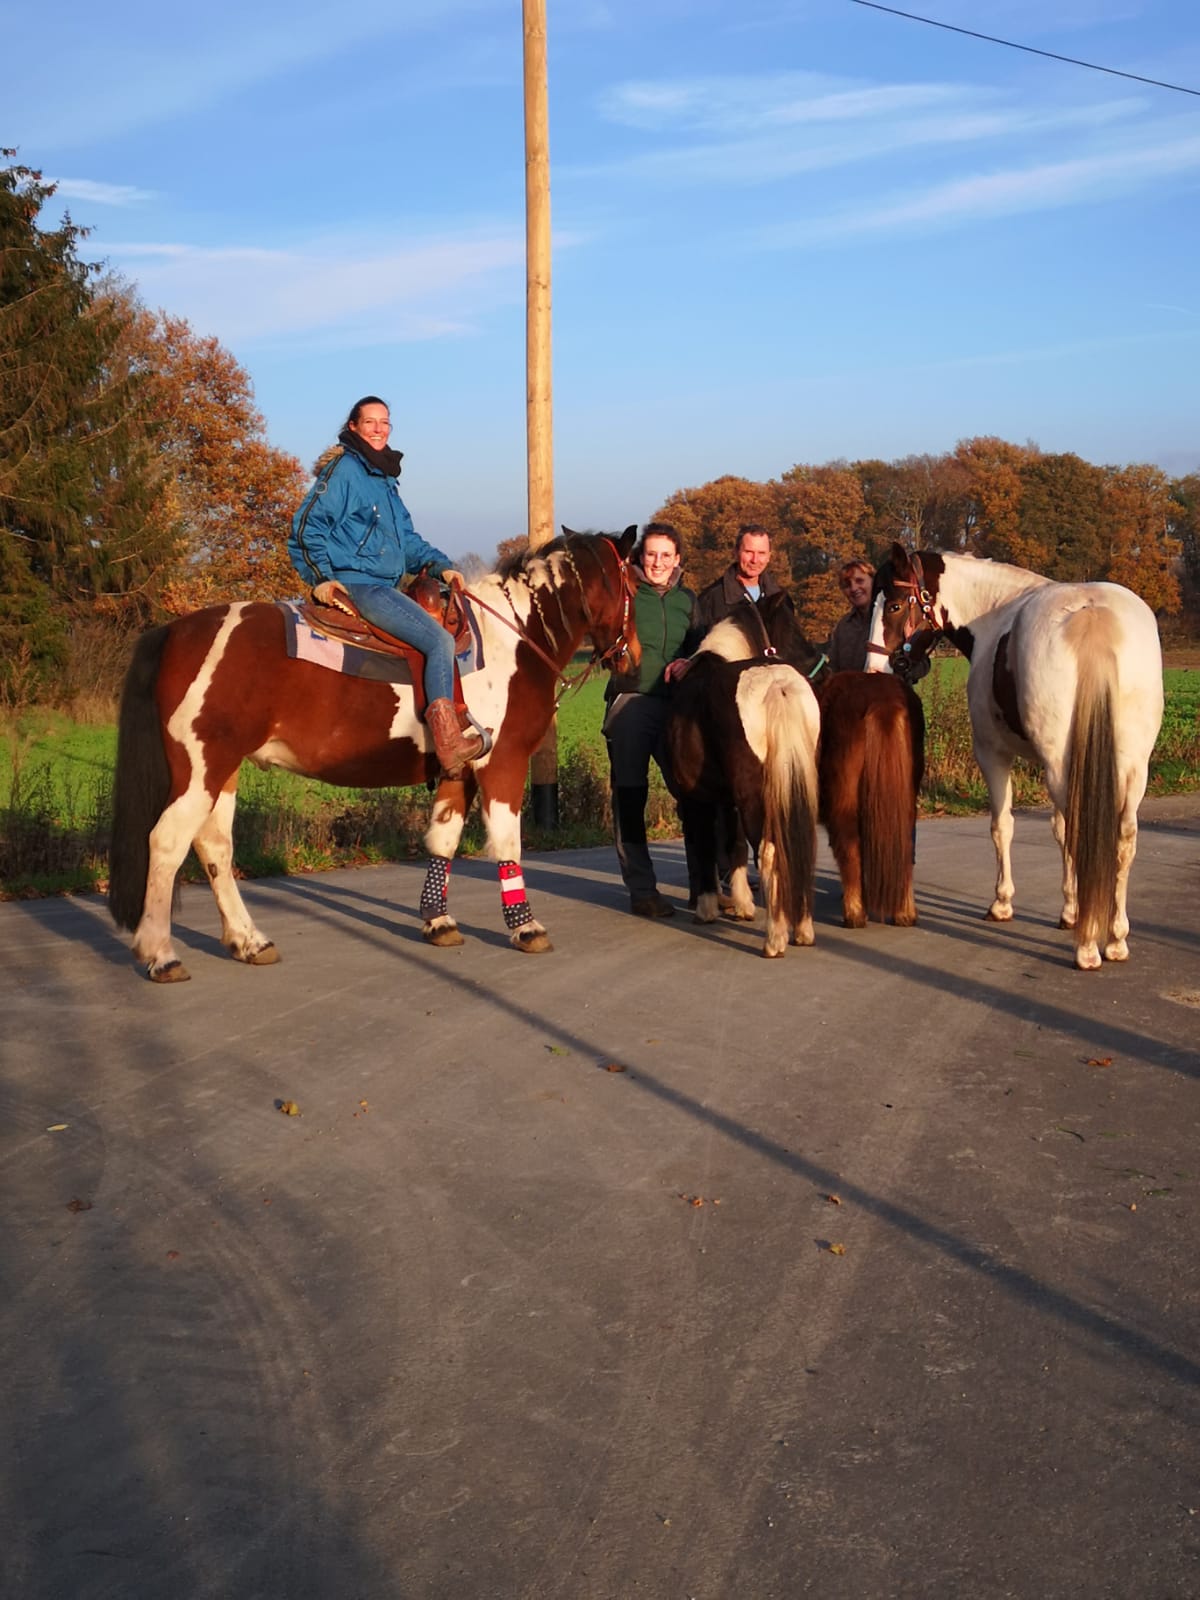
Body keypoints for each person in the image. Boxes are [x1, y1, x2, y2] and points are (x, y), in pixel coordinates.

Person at [289, 396, 482, 776]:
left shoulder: (383, 477)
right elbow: (306, 525)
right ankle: (449, 743)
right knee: (439, 641)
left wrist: (441, 567)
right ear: (354, 427)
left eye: (385, 422)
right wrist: (321, 579)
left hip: (386, 585)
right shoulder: (345, 470)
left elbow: (406, 541)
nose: (379, 429)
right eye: (371, 422)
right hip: (362, 585)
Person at [603, 523, 697, 918]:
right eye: (651, 554)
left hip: (676, 707)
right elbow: (604, 639)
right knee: (631, 796)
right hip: (631, 702)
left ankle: (706, 886)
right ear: (640, 556)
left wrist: (689, 662)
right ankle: (642, 890)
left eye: (666, 555)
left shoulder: (688, 601)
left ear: (677, 559)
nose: (657, 562)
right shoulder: (625, 593)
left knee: (693, 795)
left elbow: (700, 647)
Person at [826, 557, 930, 681]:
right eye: (847, 585)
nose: (853, 588)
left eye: (859, 581)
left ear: (873, 582)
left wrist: (901, 670)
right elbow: (833, 668)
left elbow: (923, 664)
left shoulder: (894, 618)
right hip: (852, 698)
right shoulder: (843, 626)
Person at [693, 524, 782, 632]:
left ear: (769, 556)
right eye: (749, 552)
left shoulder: (780, 599)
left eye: (761, 553)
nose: (755, 560)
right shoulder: (711, 600)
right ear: (736, 552)